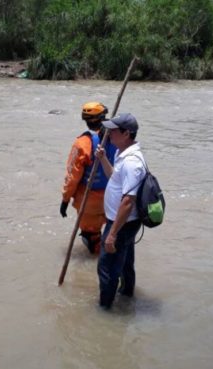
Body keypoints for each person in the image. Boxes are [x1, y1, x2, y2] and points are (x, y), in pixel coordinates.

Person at [95, 113, 146, 309]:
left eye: (113, 131)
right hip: (121, 221)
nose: (109, 134)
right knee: (124, 262)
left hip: (122, 223)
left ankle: (105, 310)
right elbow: (114, 178)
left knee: (106, 267)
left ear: (126, 134)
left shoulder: (132, 162)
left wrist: (112, 235)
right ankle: (126, 296)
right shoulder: (120, 154)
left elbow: (128, 201)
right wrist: (102, 159)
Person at [60, 102, 118, 254]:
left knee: (92, 240)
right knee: (114, 234)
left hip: (89, 202)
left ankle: (95, 266)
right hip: (113, 197)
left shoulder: (82, 143)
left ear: (85, 120)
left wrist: (65, 200)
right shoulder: (117, 137)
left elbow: (72, 176)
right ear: (104, 118)